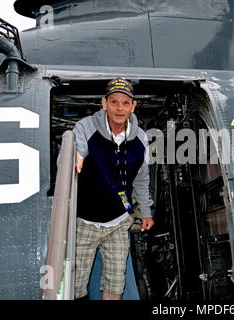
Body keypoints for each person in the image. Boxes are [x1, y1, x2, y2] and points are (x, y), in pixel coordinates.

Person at [73, 77, 154, 300]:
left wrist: (146, 212)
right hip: (85, 222)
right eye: (115, 102)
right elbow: (75, 150)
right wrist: (75, 157)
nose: (120, 108)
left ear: (133, 106)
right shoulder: (86, 127)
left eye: (125, 103)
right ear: (104, 103)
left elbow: (141, 178)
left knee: (115, 285)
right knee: (76, 285)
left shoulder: (140, 138)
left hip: (118, 223)